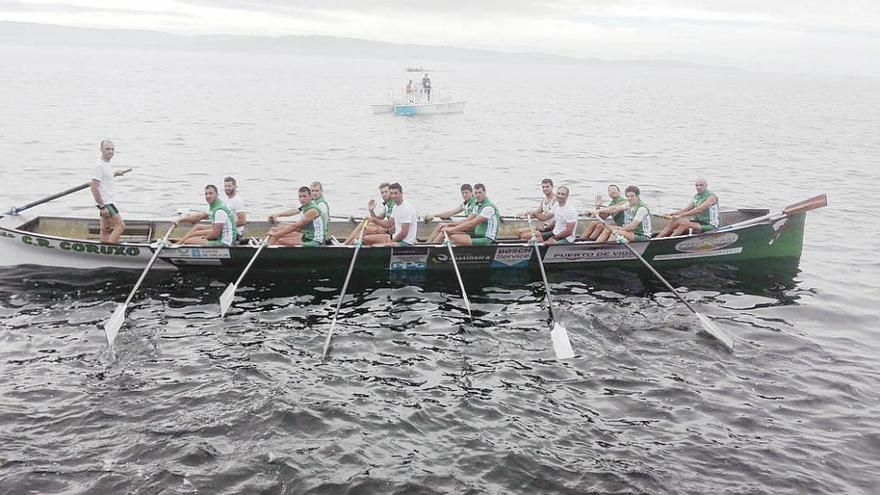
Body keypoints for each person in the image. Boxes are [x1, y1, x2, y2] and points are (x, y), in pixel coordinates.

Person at [173, 184, 238, 246]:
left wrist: (203, 238)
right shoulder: (215, 206)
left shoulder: (219, 211)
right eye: (206, 194)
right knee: (198, 227)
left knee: (188, 241)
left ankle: (180, 244)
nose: (208, 196)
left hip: (225, 242)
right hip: (221, 235)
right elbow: (198, 217)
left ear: (217, 194)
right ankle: (178, 243)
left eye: (210, 193)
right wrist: (181, 219)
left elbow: (215, 234)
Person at [655, 178, 720, 237]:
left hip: (710, 225)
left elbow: (698, 210)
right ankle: (657, 239)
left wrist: (680, 216)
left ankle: (669, 240)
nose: (698, 187)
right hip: (698, 222)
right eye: (696, 185)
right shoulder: (696, 197)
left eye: (701, 185)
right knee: (676, 222)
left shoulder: (711, 197)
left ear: (706, 185)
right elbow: (686, 209)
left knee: (684, 224)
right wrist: (672, 214)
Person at [90, 140, 126, 243]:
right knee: (120, 226)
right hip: (106, 203)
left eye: (112, 149)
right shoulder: (99, 165)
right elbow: (94, 186)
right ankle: (108, 250)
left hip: (107, 202)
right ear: (101, 150)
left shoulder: (106, 164)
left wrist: (115, 173)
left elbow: (105, 177)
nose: (110, 151)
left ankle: (103, 250)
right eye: (107, 149)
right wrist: (102, 206)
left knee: (105, 229)